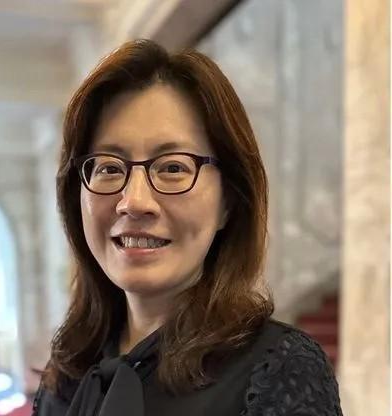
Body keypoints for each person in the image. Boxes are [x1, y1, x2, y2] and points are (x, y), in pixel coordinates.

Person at [32, 39, 343, 416]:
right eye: (109, 168)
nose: (133, 202)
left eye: (173, 167)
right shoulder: (68, 370)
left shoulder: (278, 371)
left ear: (228, 202)